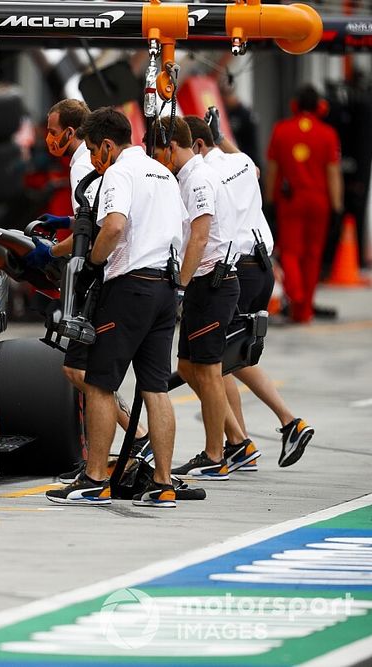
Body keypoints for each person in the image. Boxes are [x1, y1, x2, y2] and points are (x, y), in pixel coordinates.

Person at [45, 108, 184, 508]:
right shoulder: (163, 173)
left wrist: (93, 262)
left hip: (129, 288)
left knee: (100, 383)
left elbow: (116, 225)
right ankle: (163, 483)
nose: (92, 158)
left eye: (93, 150)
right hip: (164, 287)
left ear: (107, 145)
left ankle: (94, 479)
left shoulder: (119, 173)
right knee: (156, 387)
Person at [27, 99, 150, 485]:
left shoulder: (86, 162)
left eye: (52, 130)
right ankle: (135, 447)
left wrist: (58, 253)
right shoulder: (138, 166)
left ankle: (126, 445)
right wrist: (67, 221)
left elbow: (100, 226)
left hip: (115, 273)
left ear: (74, 132)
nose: (48, 138)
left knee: (86, 373)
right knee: (145, 381)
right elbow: (94, 213)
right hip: (152, 279)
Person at [190, 113, 314, 468]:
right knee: (229, 357)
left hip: (236, 266)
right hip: (262, 265)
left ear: (196, 146)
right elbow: (256, 171)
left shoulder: (204, 176)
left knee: (215, 359)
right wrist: (221, 137)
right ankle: (239, 442)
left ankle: (284, 422)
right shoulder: (241, 161)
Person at [149, 116, 241, 481]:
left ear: (171, 147)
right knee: (188, 367)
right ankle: (233, 438)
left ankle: (216, 454)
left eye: (158, 153)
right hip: (205, 282)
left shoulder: (199, 179)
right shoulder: (186, 176)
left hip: (212, 282)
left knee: (208, 370)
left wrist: (180, 287)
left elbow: (200, 237)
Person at [266, 85, 344, 324]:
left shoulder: (281, 130)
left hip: (291, 202)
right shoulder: (328, 133)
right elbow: (333, 173)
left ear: (294, 105)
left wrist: (269, 200)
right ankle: (304, 310)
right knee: (312, 255)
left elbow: (272, 170)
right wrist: (337, 207)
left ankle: (296, 296)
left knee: (290, 252)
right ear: (320, 107)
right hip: (319, 202)